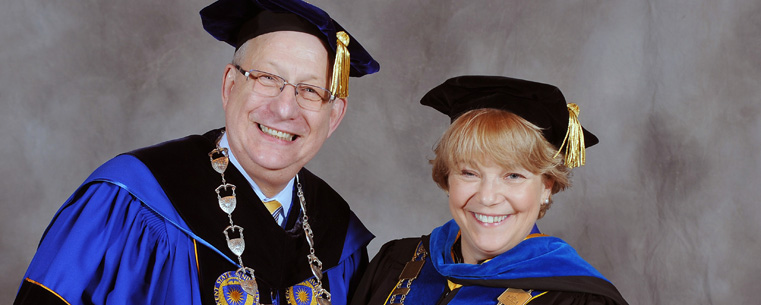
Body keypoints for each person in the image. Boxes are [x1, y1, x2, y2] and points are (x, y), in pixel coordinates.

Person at [14, 0, 379, 304]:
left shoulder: (339, 238)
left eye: (311, 91)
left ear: (334, 117)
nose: (286, 109)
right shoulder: (128, 203)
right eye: (267, 78)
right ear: (229, 85)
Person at [351, 76, 629, 305]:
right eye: (469, 173)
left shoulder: (578, 300)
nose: (487, 197)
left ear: (547, 186)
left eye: (513, 175)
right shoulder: (398, 262)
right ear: (448, 179)